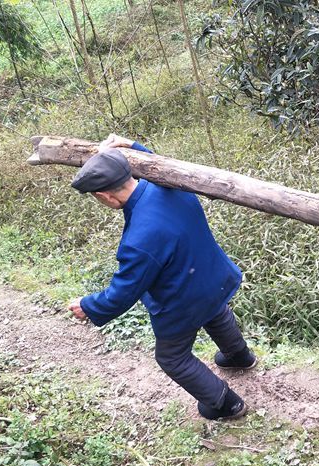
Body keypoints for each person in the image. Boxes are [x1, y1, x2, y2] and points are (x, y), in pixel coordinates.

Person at [67, 134, 256, 421]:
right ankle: (240, 357)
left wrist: (88, 306)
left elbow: (122, 293)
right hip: (214, 278)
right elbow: (158, 164)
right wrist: (132, 146)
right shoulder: (170, 185)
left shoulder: (139, 240)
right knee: (215, 311)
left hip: (184, 302)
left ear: (104, 196)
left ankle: (226, 404)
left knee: (172, 358)